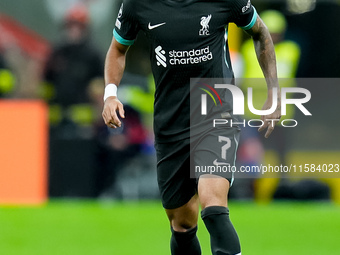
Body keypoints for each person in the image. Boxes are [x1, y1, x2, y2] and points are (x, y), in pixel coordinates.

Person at [102, 1, 281, 254]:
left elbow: (260, 32)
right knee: (182, 222)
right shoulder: (138, 4)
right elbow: (118, 49)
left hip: (216, 114)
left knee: (213, 205)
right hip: (170, 122)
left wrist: (274, 91)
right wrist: (110, 94)